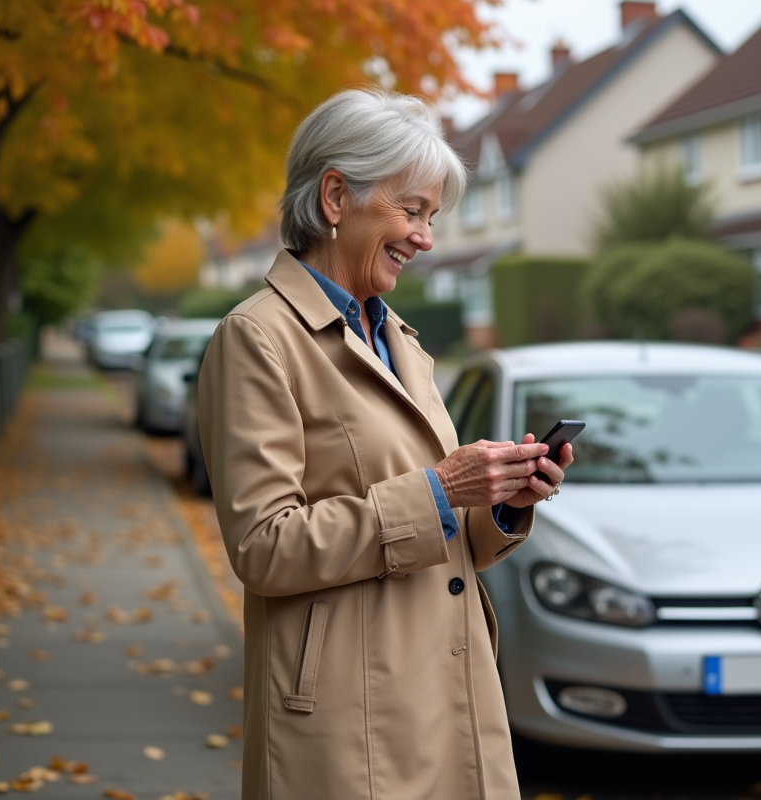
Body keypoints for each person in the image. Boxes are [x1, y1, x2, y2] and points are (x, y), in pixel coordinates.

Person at [197, 88, 573, 800]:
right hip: (349, 716)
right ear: (336, 197)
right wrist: (440, 491)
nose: (426, 237)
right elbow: (264, 547)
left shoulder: (400, 339)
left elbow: (440, 531)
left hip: (448, 690)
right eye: (412, 211)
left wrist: (499, 502)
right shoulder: (256, 340)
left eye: (432, 216)